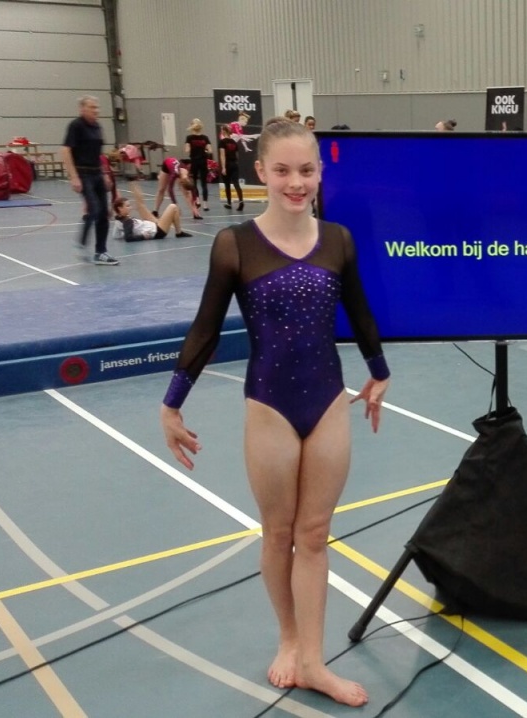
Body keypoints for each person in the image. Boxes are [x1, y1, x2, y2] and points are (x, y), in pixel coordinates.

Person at [160, 117, 388, 708]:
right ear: (260, 170)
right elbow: (206, 329)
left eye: (306, 170)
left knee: (314, 534)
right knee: (279, 532)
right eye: (282, 170)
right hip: (269, 407)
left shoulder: (338, 240)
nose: (295, 182)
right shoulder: (235, 244)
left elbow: (360, 309)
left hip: (327, 401)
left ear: (320, 172)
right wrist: (172, 404)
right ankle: (289, 638)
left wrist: (379, 370)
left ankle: (313, 661)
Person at [61, 95, 118, 265]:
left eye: (97, 107)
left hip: (97, 173)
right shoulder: (76, 126)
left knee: (104, 213)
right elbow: (65, 151)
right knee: (94, 208)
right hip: (83, 173)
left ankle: (101, 252)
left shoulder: (98, 127)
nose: (96, 111)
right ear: (82, 109)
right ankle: (82, 242)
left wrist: (105, 173)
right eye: (92, 107)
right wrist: (74, 176)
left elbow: (98, 153)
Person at [112, 179, 192, 242]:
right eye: (127, 206)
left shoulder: (119, 220)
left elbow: (115, 235)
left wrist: (122, 230)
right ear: (120, 208)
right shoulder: (127, 221)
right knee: (173, 207)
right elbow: (128, 238)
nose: (130, 207)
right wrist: (142, 236)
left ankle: (133, 183)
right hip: (156, 231)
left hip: (150, 225)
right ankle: (179, 232)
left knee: (141, 205)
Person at [185, 119, 213, 212]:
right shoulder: (205, 138)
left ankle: (197, 200)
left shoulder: (189, 138)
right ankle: (205, 204)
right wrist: (204, 150)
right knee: (204, 183)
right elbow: (210, 151)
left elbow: (187, 150)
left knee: (194, 182)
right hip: (203, 162)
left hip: (194, 162)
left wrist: (192, 148)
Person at [218, 124, 245, 211]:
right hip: (234, 164)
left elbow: (222, 155)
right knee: (236, 183)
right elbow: (237, 155)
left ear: (224, 131)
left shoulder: (222, 142)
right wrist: (235, 163)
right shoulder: (234, 142)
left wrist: (223, 167)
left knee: (227, 184)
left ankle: (229, 203)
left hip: (227, 164)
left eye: (222, 130)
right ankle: (241, 201)